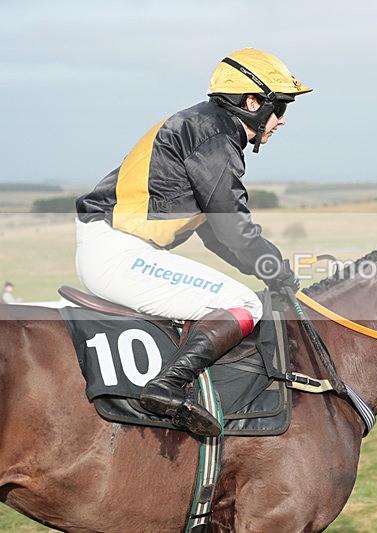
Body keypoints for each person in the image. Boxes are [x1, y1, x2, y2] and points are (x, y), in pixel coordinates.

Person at [74, 48, 311, 437]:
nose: (282, 120)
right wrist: (277, 270)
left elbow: (216, 233)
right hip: (120, 253)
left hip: (116, 247)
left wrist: (268, 270)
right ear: (252, 102)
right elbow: (233, 226)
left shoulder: (205, 126)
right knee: (244, 304)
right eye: (280, 106)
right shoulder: (216, 136)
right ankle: (167, 386)